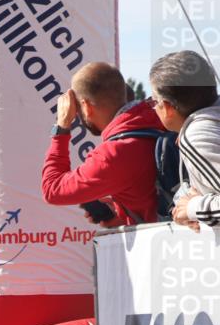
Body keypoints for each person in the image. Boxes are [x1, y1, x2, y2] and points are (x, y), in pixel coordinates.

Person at [42, 62, 164, 225]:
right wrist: (120, 215)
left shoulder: (113, 155)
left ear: (86, 107)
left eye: (77, 110)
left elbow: (52, 189)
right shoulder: (162, 120)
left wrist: (62, 127)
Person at [148, 50, 220, 231]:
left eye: (154, 101)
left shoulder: (197, 135)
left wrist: (192, 208)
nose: (154, 108)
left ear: (167, 107)